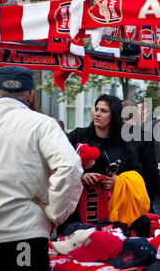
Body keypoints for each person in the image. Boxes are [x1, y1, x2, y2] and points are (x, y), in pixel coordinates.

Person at [0, 65, 84, 271]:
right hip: (24, 234)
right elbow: (70, 166)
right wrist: (55, 212)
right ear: (30, 95)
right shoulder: (43, 125)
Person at [61, 94, 143, 228]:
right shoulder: (77, 136)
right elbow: (59, 165)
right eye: (96, 109)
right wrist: (81, 175)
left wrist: (118, 181)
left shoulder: (124, 143)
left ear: (114, 116)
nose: (97, 114)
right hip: (76, 210)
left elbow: (137, 173)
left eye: (104, 111)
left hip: (111, 211)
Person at [122, 99, 160, 212]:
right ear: (137, 117)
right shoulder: (144, 137)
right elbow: (151, 171)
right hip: (139, 193)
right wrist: (151, 196)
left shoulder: (109, 134)